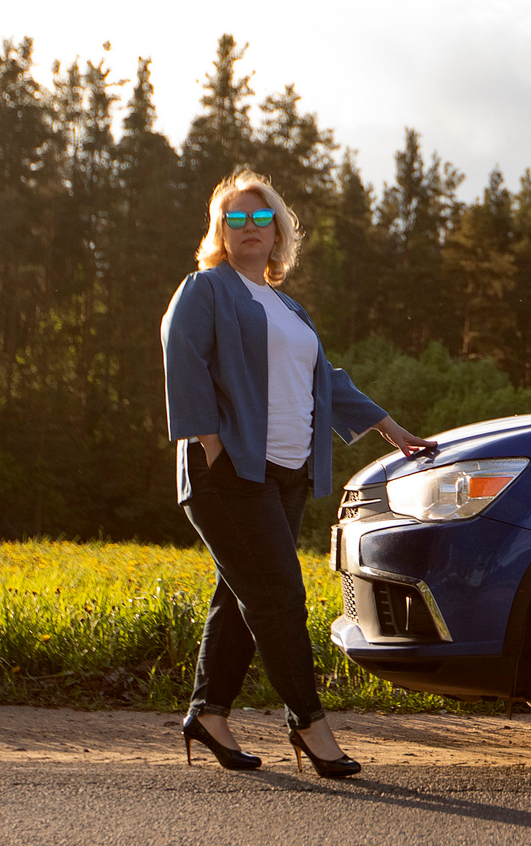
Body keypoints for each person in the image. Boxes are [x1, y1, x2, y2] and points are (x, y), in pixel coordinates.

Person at [161, 169, 436, 778]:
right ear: (221, 230)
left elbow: (326, 380)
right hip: (230, 472)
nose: (250, 227)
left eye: (262, 218)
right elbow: (182, 358)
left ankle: (208, 714)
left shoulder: (288, 306)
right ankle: (309, 723)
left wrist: (390, 427)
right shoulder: (206, 289)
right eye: (237, 217)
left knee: (242, 594)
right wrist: (210, 445)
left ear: (279, 230)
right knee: (280, 596)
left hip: (286, 474)